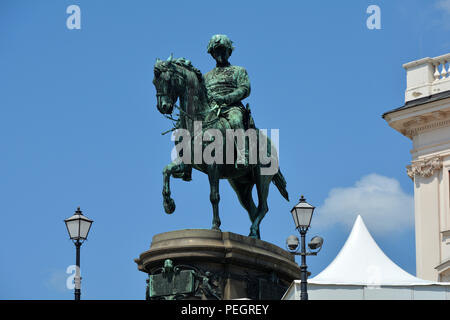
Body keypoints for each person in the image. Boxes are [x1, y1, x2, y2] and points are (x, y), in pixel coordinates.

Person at [204, 34, 251, 167]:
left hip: (232, 108)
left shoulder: (239, 71)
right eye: (217, 50)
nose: (220, 53)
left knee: (236, 120)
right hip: (211, 110)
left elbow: (245, 89)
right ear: (212, 53)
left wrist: (226, 99)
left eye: (223, 50)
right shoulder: (206, 77)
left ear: (229, 52)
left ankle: (243, 154)